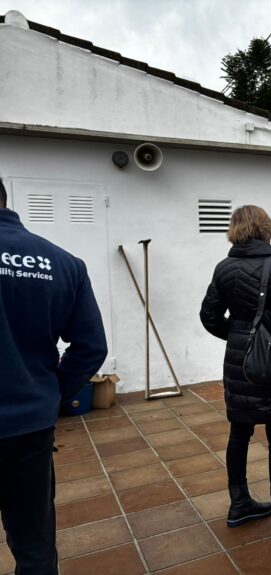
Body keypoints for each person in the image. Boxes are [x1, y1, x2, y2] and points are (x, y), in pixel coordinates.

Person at [0, 177, 108, 575]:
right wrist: (51, 395)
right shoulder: (62, 263)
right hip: (29, 428)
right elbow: (91, 347)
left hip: (30, 422)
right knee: (35, 549)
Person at [200, 205, 271, 540]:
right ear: (265, 228)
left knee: (239, 432)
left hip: (239, 364)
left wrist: (239, 337)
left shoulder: (224, 267)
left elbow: (209, 316)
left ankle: (239, 505)